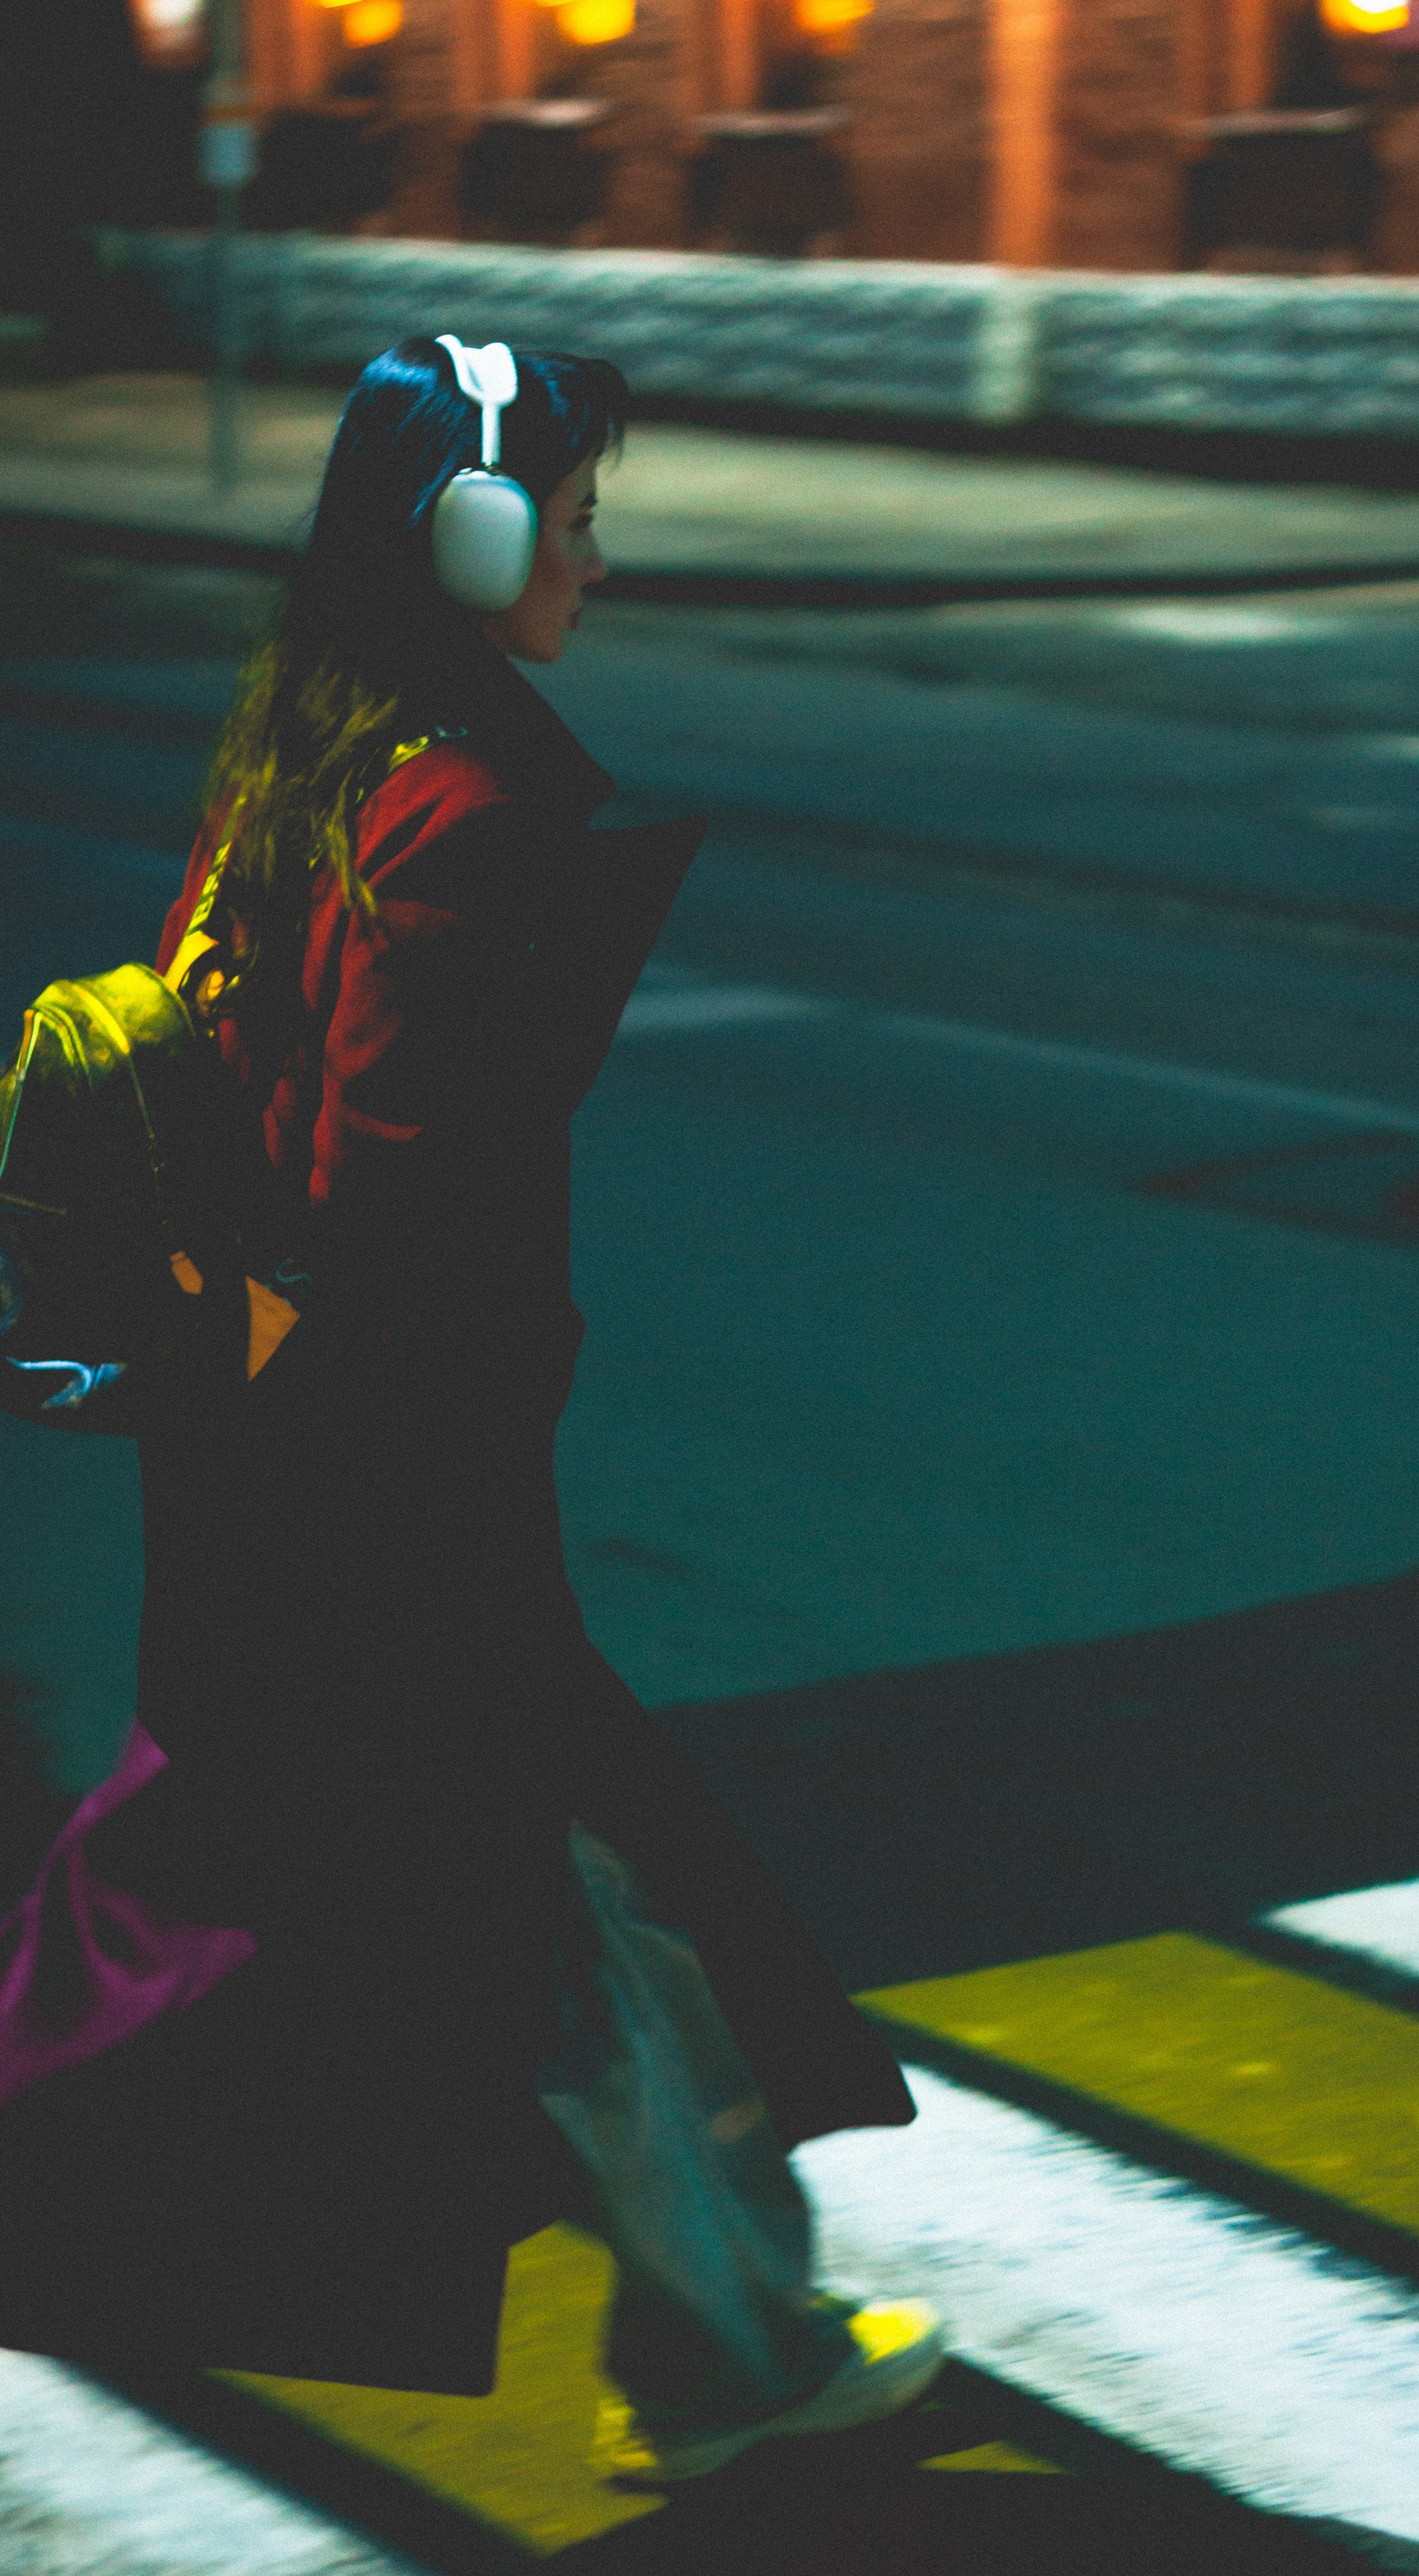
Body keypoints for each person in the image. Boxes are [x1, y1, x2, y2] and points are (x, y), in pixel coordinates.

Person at [0, 335, 945, 2480]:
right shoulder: (459, 812)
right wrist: (389, 1406)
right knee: (499, 1907)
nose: (599, 566)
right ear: (475, 537)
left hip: (283, 1471)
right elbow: (386, 1199)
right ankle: (731, 2358)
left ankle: (727, 2339)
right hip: (391, 1498)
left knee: (517, 1904)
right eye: (577, 524)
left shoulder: (306, 741)